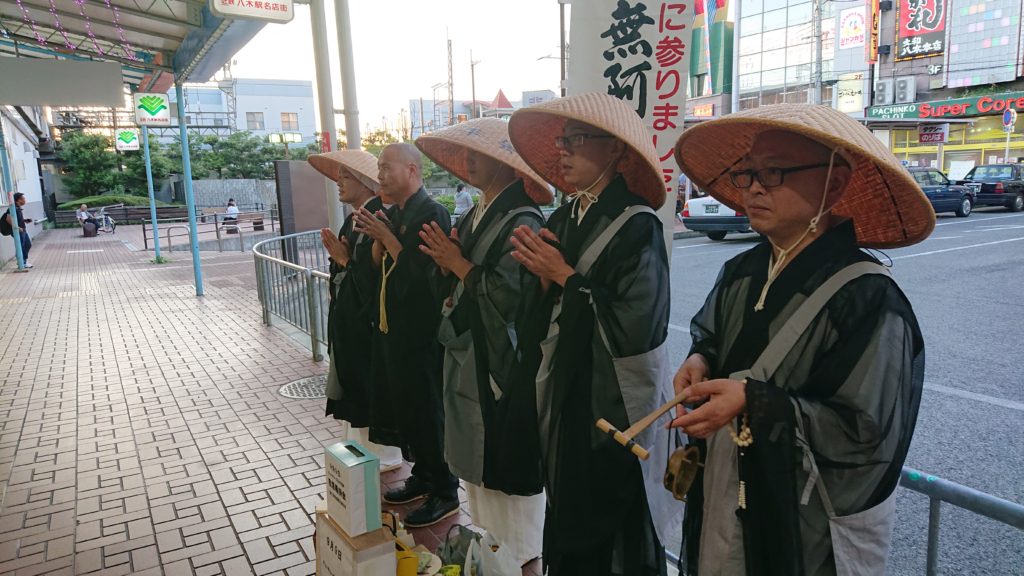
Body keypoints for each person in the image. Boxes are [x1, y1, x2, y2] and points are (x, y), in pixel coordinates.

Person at [670, 104, 932, 575]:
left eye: (773, 173)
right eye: (747, 173)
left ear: (834, 184)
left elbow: (866, 433)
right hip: (725, 487)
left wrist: (755, 402)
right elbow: (713, 335)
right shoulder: (743, 269)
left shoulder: (868, 297)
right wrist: (700, 358)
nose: (753, 188)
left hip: (800, 522)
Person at [506, 92, 682, 576]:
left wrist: (565, 278)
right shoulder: (563, 217)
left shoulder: (638, 224)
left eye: (577, 140)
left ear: (616, 149)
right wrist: (543, 282)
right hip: (567, 391)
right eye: (562, 141)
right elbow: (542, 307)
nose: (563, 151)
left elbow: (639, 326)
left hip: (611, 406)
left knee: (614, 522)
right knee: (567, 505)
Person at [415, 118, 551, 565]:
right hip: (472, 352)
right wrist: (446, 263)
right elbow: (458, 276)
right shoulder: (476, 212)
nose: (468, 162)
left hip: (502, 360)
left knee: (503, 452)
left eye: (478, 155)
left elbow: (512, 297)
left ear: (505, 161)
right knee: (477, 453)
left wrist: (458, 264)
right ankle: (493, 549)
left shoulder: (523, 218)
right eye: (467, 154)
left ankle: (520, 554)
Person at [353, 142, 459, 528]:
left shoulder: (432, 213)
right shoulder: (396, 212)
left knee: (429, 411)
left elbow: (426, 277)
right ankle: (424, 475)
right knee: (409, 410)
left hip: (422, 334)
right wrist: (378, 241)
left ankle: (445, 490)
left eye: (387, 167)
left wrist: (389, 238)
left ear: (412, 170)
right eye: (379, 168)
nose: (380, 175)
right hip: (393, 330)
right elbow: (378, 268)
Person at [307, 150, 403, 472]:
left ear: (365, 181)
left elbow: (374, 279)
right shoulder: (354, 219)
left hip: (367, 325)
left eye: (346, 176)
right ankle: (361, 449)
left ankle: (382, 454)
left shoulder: (376, 218)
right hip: (350, 321)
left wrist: (344, 261)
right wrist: (341, 262)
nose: (339, 182)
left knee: (368, 385)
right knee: (354, 384)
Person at [4, 193, 33, 268]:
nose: (24, 200)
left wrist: (25, 220)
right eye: (23, 198)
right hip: (18, 231)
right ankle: (22, 262)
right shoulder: (12, 208)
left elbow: (17, 219)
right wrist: (17, 227)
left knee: (27, 244)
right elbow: (8, 218)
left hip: (23, 230)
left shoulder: (18, 208)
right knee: (21, 246)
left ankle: (22, 260)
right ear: (18, 200)